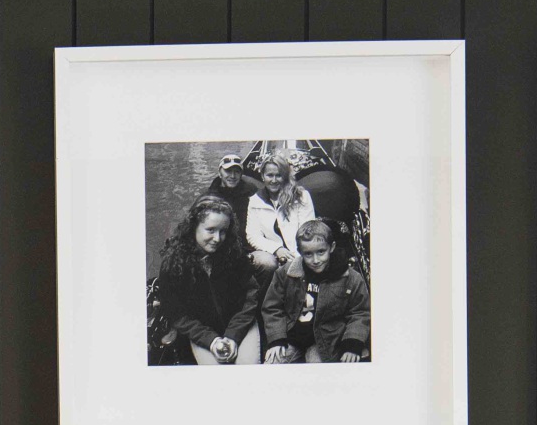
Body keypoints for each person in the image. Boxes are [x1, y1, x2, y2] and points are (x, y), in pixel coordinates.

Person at [146, 197, 262, 366]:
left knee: (247, 365)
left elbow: (250, 296)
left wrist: (233, 336)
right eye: (210, 230)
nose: (218, 238)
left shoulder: (234, 253)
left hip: (241, 324)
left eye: (223, 231)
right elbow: (176, 312)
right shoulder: (173, 263)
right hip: (201, 331)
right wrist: (211, 341)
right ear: (194, 226)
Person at [261, 218, 371, 366]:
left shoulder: (350, 277)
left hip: (326, 340)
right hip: (291, 335)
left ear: (331, 247)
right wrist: (277, 339)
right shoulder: (286, 273)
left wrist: (352, 343)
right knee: (271, 364)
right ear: (300, 252)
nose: (316, 260)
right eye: (308, 254)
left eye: (321, 252)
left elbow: (360, 312)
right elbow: (272, 307)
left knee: (318, 368)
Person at [244, 143, 321, 279]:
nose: (274, 180)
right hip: (270, 253)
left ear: (284, 177)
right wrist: (277, 249)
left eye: (278, 175)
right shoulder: (255, 200)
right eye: (270, 175)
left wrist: (295, 257)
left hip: (298, 252)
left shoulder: (301, 196)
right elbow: (253, 235)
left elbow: (308, 231)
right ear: (263, 176)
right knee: (267, 263)